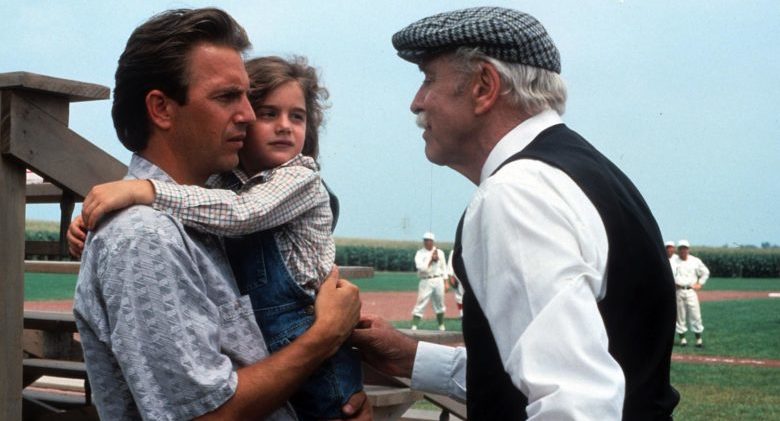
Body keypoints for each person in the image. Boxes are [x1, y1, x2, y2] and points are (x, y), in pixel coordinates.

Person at [352, 6, 679, 420]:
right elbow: (540, 373)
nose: (417, 103)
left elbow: (575, 403)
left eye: (428, 79)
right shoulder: (580, 171)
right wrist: (412, 360)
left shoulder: (517, 193)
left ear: (484, 86)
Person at [70, 9, 369, 420]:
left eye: (247, 96)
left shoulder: (198, 212)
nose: (248, 114)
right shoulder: (145, 237)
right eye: (227, 97)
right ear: (161, 108)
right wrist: (324, 337)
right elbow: (204, 415)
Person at [674, 239, 710, 347]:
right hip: (678, 291)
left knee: (695, 315)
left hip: (691, 291)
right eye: (681, 248)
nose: (683, 250)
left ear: (688, 249)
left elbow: (705, 272)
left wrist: (700, 283)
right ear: (678, 250)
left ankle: (698, 340)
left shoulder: (695, 261)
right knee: (680, 317)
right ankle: (683, 340)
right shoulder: (673, 262)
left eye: (685, 248)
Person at [410, 232, 449, 330]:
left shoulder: (440, 252)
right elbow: (421, 268)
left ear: (433, 241)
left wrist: (446, 282)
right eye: (425, 240)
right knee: (421, 302)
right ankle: (414, 326)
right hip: (426, 280)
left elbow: (444, 268)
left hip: (438, 279)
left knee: (439, 302)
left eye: (429, 240)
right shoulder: (420, 253)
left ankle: (441, 325)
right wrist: (431, 260)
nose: (427, 242)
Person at [446, 249, 464, 318]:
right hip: (458, 275)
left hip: (470, 275)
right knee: (459, 295)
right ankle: (461, 313)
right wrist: (450, 276)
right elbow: (450, 264)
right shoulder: (454, 250)